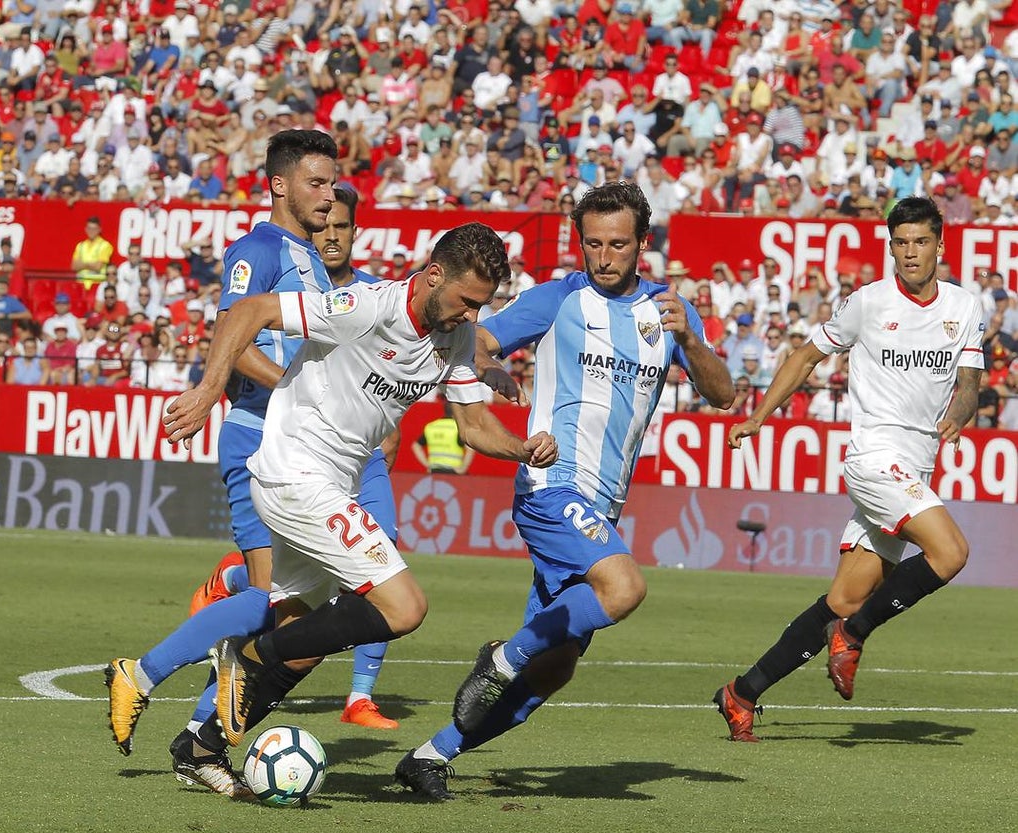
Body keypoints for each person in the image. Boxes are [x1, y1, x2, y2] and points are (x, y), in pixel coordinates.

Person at [161, 221, 558, 766]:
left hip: (333, 483)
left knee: (305, 643)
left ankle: (200, 748)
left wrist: (523, 448)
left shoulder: (457, 337)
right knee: (404, 606)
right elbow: (250, 311)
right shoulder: (368, 307)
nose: (473, 316)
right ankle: (243, 656)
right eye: (467, 301)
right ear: (433, 275)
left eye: (482, 305)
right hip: (296, 471)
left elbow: (473, 427)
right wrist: (209, 390)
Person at [393, 182, 734, 800]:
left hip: (602, 505)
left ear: (642, 244)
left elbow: (723, 392)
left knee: (554, 670)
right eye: (593, 244)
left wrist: (691, 341)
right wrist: (492, 369)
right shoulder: (558, 299)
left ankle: (431, 755)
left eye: (617, 245)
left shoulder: (668, 312)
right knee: (624, 587)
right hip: (552, 484)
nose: (603, 257)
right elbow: (477, 339)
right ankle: (501, 658)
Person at [103, 132, 404, 798]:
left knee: (298, 610)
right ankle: (145, 676)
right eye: (319, 183)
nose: (331, 195)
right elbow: (233, 341)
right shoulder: (257, 251)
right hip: (257, 439)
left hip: (304, 452)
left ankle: (199, 739)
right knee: (275, 602)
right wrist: (293, 392)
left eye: (334, 184)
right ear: (280, 186)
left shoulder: (312, 262)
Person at [714, 196, 984, 742]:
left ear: (940, 245)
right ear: (891, 247)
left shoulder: (964, 307)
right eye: (901, 243)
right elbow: (806, 357)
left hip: (915, 465)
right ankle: (854, 635)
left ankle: (742, 693)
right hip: (873, 458)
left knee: (843, 598)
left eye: (921, 242)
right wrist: (760, 416)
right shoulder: (867, 302)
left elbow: (971, 384)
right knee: (951, 552)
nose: (910, 253)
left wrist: (957, 415)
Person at [187, 184, 408, 731]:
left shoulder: (364, 293)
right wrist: (246, 388)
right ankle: (192, 710)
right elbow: (235, 328)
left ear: (356, 231)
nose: (331, 231)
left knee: (377, 563)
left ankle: (359, 695)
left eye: (342, 223)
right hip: (275, 438)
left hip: (347, 453)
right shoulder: (266, 254)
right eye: (323, 217)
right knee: (277, 599)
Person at [412, 401, 475, 474]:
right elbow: (470, 449)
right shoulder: (459, 428)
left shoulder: (431, 426)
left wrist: (427, 464)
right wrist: (463, 468)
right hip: (454, 471)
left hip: (434, 470)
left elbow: (416, 446)